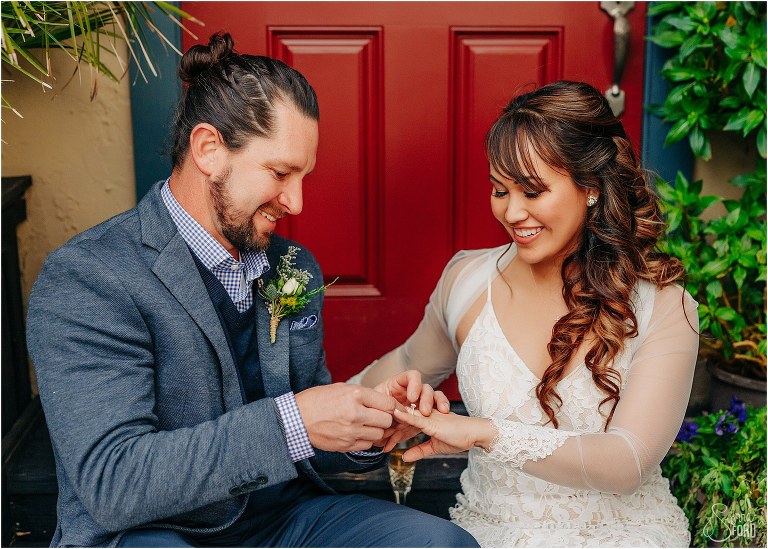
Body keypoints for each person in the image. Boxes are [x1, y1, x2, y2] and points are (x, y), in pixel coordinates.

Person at [26, 32, 479, 548]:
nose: (297, 202)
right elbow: (113, 483)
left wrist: (369, 423)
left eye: (303, 176)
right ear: (208, 149)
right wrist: (295, 422)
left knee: (438, 544)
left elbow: (310, 439)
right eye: (281, 172)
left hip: (286, 519)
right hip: (152, 531)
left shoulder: (293, 267)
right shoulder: (89, 277)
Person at [351, 80, 699, 547]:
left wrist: (483, 433)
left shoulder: (664, 306)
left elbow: (628, 463)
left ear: (590, 187)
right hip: (483, 535)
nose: (512, 212)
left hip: (621, 536)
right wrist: (331, 409)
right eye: (499, 190)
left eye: (532, 192)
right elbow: (404, 364)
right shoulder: (467, 280)